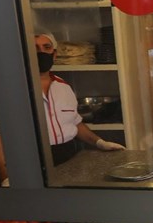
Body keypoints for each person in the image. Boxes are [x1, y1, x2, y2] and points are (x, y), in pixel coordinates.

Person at [35, 32, 125, 165]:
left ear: (54, 55)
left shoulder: (63, 87)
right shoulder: (15, 90)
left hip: (68, 154)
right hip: (33, 157)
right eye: (35, 49)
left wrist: (99, 143)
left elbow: (75, 123)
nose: (41, 53)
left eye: (46, 47)